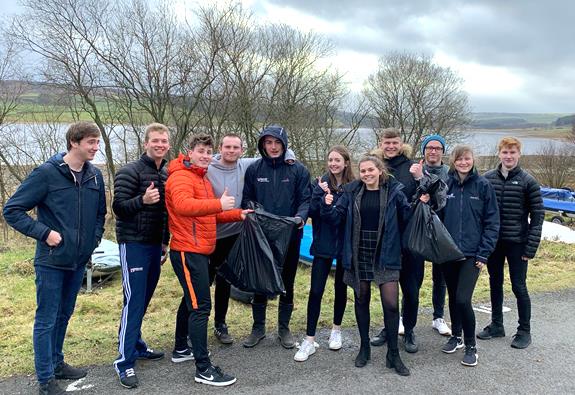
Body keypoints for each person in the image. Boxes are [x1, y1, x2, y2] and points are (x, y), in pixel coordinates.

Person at [3, 121, 106, 395]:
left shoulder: (95, 176)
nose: (96, 148)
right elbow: (12, 210)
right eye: (91, 143)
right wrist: (44, 232)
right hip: (50, 261)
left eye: (97, 143)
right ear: (74, 142)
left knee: (64, 314)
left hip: (78, 261)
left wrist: (92, 242)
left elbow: (99, 216)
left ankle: (57, 363)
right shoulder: (46, 174)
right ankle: (46, 379)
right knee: (47, 318)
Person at [165, 133, 250, 387]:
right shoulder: (181, 176)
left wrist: (238, 214)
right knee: (201, 306)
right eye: (200, 151)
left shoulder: (200, 178)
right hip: (187, 250)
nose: (204, 155)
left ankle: (181, 348)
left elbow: (208, 215)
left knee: (190, 301)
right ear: (189, 152)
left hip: (199, 249)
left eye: (207, 151)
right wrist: (218, 203)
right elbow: (183, 206)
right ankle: (203, 369)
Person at [321, 155, 416, 375]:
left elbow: (407, 216)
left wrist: (420, 201)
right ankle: (364, 348)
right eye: (362, 171)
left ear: (380, 170)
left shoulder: (393, 191)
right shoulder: (352, 191)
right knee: (361, 298)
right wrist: (327, 206)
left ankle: (393, 353)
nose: (366, 174)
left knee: (391, 304)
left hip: (386, 251)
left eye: (370, 170)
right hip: (359, 251)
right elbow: (336, 218)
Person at [206, 133, 296, 345]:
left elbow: (273, 153)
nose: (231, 151)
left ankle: (220, 324)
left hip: (236, 232)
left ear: (241, 150)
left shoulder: (245, 164)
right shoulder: (208, 166)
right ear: (220, 148)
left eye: (235, 147)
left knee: (225, 280)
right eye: (227, 147)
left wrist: (289, 154)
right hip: (211, 233)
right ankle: (194, 329)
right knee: (202, 283)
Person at [241, 125, 311, 349]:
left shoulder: (297, 170)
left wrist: (300, 218)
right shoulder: (254, 170)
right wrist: (252, 214)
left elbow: (305, 200)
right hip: (262, 236)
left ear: (284, 145)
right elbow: (247, 200)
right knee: (260, 281)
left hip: (290, 236)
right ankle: (258, 327)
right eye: (268, 143)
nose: (273, 147)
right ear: (263, 145)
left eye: (277, 143)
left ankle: (284, 328)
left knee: (287, 282)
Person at [112, 123, 171, 388]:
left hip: (154, 245)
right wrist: (142, 201)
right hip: (133, 244)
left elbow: (165, 214)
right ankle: (124, 363)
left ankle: (135, 344)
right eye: (155, 140)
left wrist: (164, 242)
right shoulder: (130, 171)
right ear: (146, 143)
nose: (160, 145)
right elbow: (119, 209)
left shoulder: (167, 174)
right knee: (134, 301)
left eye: (164, 141)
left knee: (143, 300)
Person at [477, 137, 544, 349]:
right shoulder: (487, 179)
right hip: (495, 243)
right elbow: (481, 212)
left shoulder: (528, 181)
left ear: (519, 155)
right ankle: (497, 325)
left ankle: (524, 331)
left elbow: (538, 215)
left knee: (519, 286)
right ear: (499, 154)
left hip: (518, 243)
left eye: (513, 153)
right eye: (505, 152)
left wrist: (530, 247)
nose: (509, 156)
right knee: (495, 283)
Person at [439, 145, 499, 367]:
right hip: (449, 253)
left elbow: (492, 222)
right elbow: (438, 218)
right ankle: (456, 337)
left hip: (473, 254)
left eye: (467, 159)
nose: (463, 162)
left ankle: (472, 345)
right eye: (459, 159)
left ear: (473, 160)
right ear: (453, 162)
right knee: (453, 297)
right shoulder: (447, 185)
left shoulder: (483, 186)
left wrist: (484, 253)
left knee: (463, 298)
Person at [294, 146, 354, 362]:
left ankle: (336, 329)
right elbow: (312, 212)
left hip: (345, 246)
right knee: (316, 291)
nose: (333, 163)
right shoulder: (319, 184)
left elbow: (349, 216)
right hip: (323, 244)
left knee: (341, 289)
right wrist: (321, 197)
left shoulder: (353, 186)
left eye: (337, 160)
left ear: (346, 162)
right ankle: (309, 340)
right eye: (330, 159)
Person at [370, 128, 423, 354]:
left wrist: (421, 178)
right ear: (381, 143)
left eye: (394, 142)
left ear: (401, 144)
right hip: (384, 240)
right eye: (386, 142)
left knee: (411, 290)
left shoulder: (412, 167)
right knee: (387, 290)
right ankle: (388, 328)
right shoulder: (375, 167)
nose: (390, 146)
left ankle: (409, 330)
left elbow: (426, 195)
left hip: (410, 239)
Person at [409, 134, 452, 336]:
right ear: (424, 150)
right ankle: (406, 317)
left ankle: (438, 317)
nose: (433, 151)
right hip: (418, 229)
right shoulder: (415, 170)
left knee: (440, 277)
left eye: (437, 148)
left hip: (441, 230)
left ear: (443, 151)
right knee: (413, 277)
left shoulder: (449, 173)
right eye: (429, 148)